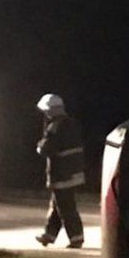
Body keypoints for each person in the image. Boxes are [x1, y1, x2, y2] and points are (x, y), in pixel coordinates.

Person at [34, 93, 85, 248]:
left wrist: (40, 145)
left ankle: (76, 238)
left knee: (66, 207)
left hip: (61, 174)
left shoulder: (55, 127)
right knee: (58, 205)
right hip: (74, 172)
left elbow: (46, 148)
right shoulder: (72, 123)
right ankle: (49, 235)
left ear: (50, 110)